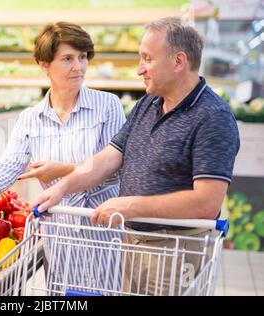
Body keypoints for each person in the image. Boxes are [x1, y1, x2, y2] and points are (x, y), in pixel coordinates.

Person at [33, 16, 240, 296]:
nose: (139, 69)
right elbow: (109, 156)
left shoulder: (213, 117)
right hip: (134, 244)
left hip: (176, 252)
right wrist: (63, 187)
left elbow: (207, 201)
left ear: (178, 61)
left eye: (147, 59)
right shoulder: (149, 102)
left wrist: (131, 205)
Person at [0, 22, 126, 294]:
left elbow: (116, 168)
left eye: (83, 57)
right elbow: (4, 169)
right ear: (44, 64)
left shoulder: (107, 106)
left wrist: (61, 170)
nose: (79, 66)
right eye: (67, 59)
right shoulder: (31, 119)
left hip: (100, 233)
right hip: (60, 238)